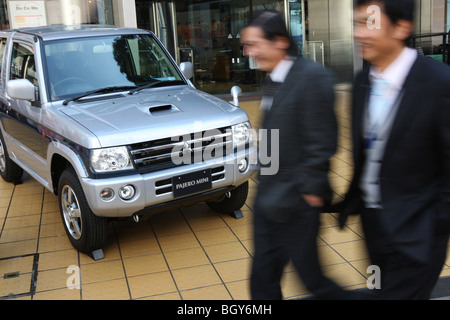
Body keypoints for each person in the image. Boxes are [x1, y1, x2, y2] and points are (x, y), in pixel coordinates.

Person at [333, 0, 450, 299]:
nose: (360, 33)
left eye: (370, 23)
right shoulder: (361, 81)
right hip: (374, 229)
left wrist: (433, 226)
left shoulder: (439, 84)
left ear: (402, 27)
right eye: (357, 23)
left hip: (417, 237)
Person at [242, 10, 349, 300]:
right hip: (269, 201)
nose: (248, 52)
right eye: (246, 45)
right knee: (263, 282)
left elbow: (323, 140)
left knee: (315, 283)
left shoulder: (312, 77)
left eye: (253, 44)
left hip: (296, 204)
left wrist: (310, 193)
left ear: (278, 41)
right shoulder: (273, 78)